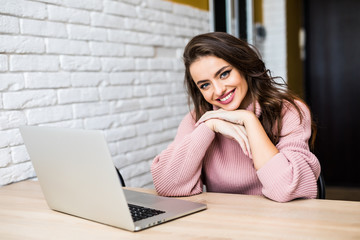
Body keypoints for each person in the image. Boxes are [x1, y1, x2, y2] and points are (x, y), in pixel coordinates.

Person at [151, 32, 321, 202]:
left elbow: (286, 189)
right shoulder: (197, 119)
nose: (218, 91)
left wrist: (249, 120)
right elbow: (167, 186)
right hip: (224, 222)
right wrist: (209, 126)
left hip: (279, 220)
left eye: (224, 74)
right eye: (205, 85)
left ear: (243, 66)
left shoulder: (288, 111)